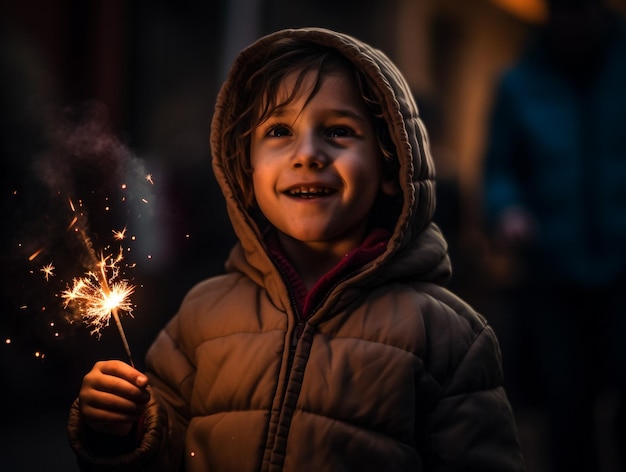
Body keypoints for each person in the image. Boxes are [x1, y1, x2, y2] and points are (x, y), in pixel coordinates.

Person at [67, 27, 524, 471]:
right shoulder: (202, 316)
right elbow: (166, 449)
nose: (307, 155)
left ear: (392, 167)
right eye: (279, 131)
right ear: (245, 170)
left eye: (339, 131)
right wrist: (121, 430)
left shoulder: (448, 336)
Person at [482, 1, 626, 471]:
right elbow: (500, 167)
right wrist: (508, 210)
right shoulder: (518, 84)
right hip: (551, 271)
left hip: (623, 269)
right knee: (567, 407)